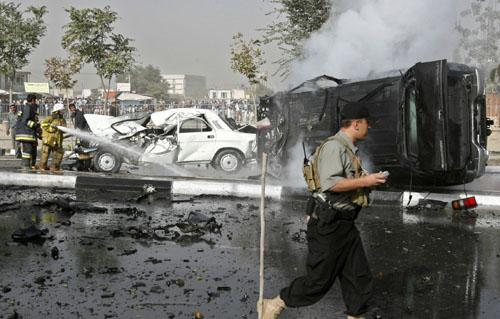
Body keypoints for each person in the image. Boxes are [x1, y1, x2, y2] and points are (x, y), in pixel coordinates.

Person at [259, 102, 387, 319]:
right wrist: (366, 179)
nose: (370, 127)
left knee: (358, 277)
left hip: (345, 224)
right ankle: (274, 304)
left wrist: (367, 183)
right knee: (318, 281)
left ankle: (356, 316)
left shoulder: (347, 148)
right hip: (329, 226)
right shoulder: (334, 147)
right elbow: (331, 183)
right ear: (356, 124)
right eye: (367, 123)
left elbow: (344, 181)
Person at [15, 94, 40, 170]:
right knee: (27, 150)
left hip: (28, 132)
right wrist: (35, 125)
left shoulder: (28, 108)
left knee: (32, 150)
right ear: (32, 100)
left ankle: (30, 165)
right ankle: (25, 165)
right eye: (35, 100)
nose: (36, 102)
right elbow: (25, 121)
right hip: (25, 133)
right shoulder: (27, 108)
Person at [39, 103, 66, 172]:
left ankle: (54, 167)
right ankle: (42, 167)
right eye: (62, 110)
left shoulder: (62, 119)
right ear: (57, 111)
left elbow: (64, 128)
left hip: (57, 140)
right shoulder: (50, 118)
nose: (63, 112)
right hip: (48, 140)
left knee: (58, 154)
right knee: (45, 155)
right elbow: (43, 124)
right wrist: (51, 128)